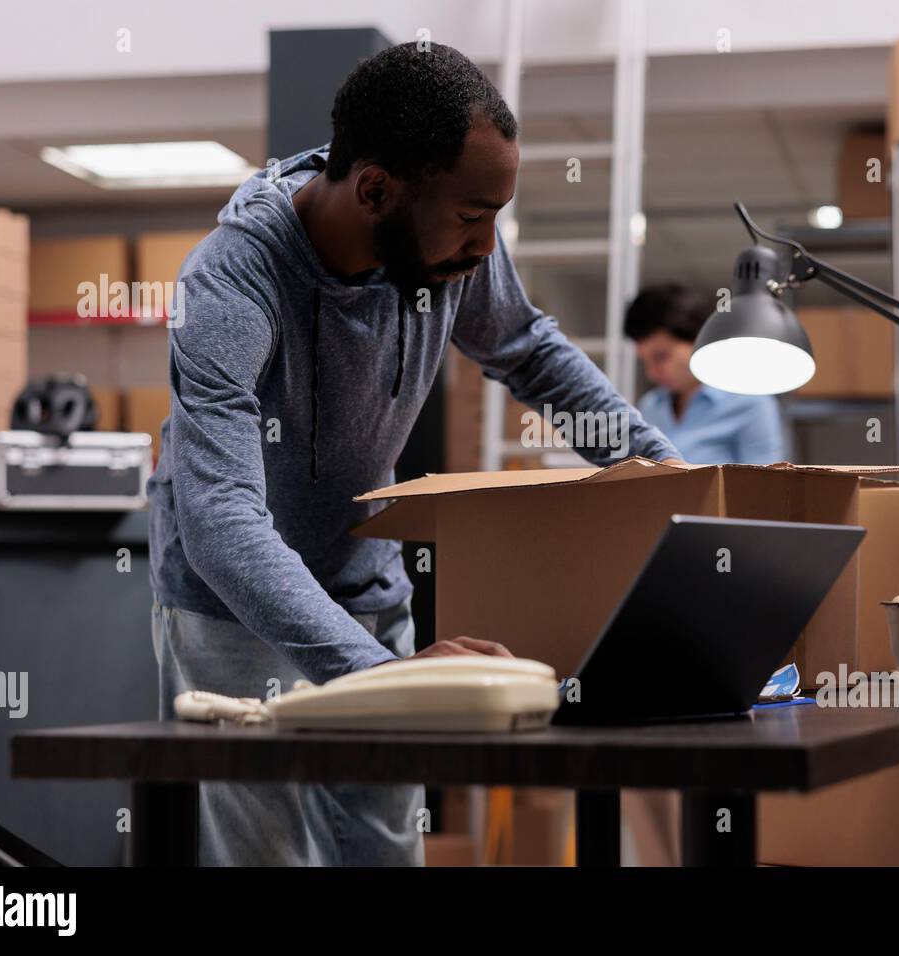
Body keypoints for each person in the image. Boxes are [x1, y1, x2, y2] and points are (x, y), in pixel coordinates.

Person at [147, 42, 682, 867]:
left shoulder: (454, 248)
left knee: (386, 850)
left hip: (364, 585)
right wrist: (384, 676)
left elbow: (529, 351)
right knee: (270, 859)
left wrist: (658, 474)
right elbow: (219, 521)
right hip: (233, 611)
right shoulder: (230, 281)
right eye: (473, 216)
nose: (487, 243)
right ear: (374, 189)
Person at [625, 284, 788, 464]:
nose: (652, 374)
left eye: (661, 356)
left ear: (699, 339)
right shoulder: (650, 406)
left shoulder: (751, 404)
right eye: (645, 361)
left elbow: (764, 485)